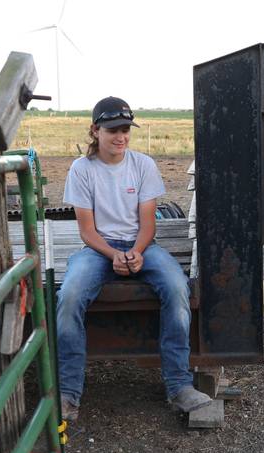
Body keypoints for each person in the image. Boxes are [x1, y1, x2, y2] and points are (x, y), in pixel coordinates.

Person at [55, 96, 212, 422]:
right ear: (95, 130)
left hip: (142, 244)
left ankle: (179, 386)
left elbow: (149, 222)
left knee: (177, 286)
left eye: (125, 129)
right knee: (69, 295)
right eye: (113, 129)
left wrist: (137, 252)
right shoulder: (82, 170)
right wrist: (114, 255)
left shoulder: (143, 165)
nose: (120, 136)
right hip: (99, 248)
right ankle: (68, 393)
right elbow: (87, 230)